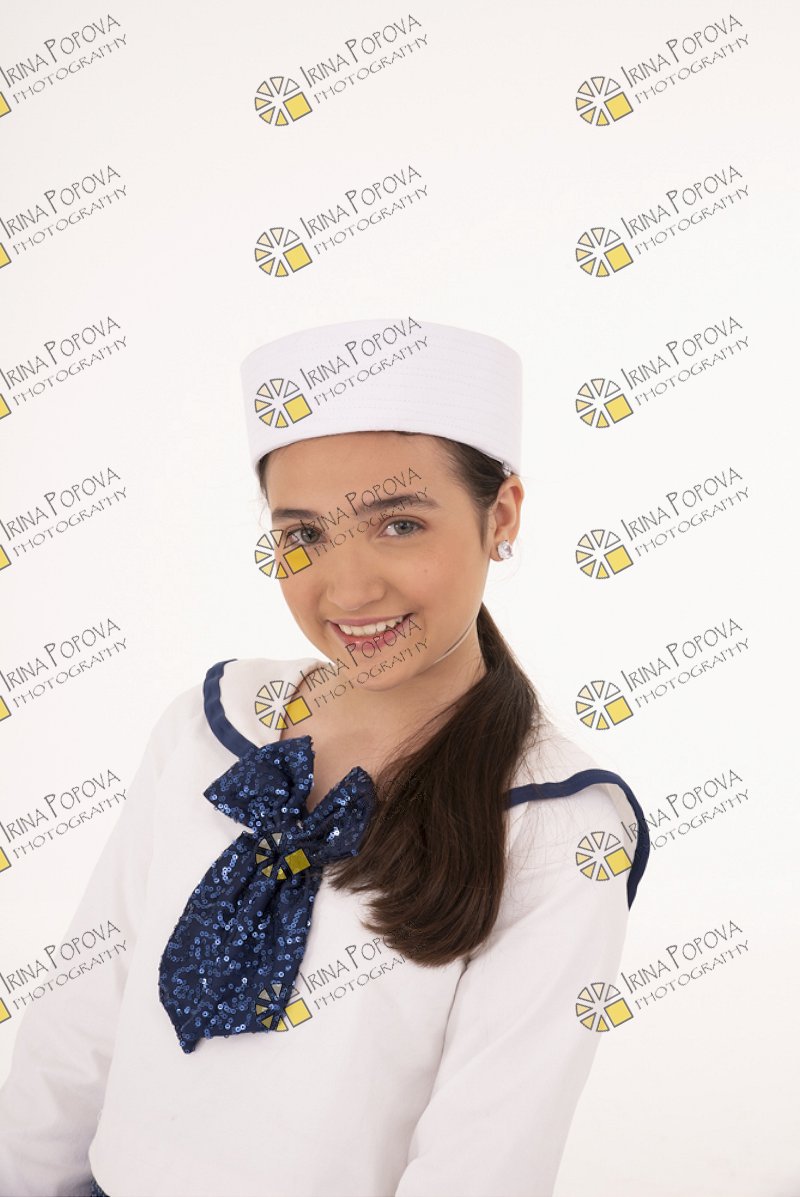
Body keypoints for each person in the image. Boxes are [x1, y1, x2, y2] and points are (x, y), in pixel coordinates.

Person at [0, 317, 650, 1197]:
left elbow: (484, 1160)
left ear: (500, 514)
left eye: (399, 524)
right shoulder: (208, 727)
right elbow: (81, 1021)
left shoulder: (554, 824)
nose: (347, 588)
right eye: (303, 533)